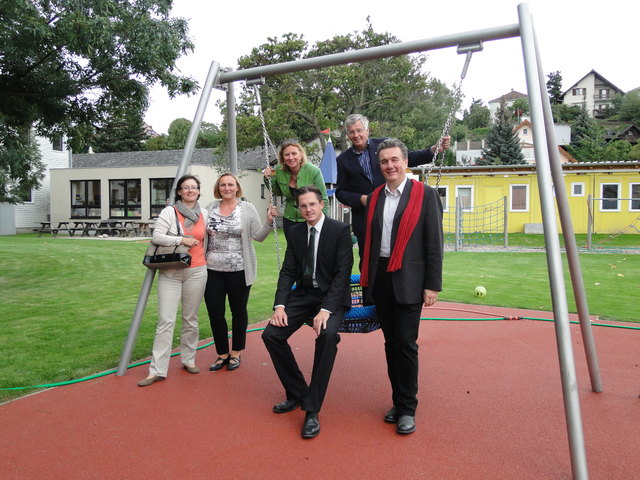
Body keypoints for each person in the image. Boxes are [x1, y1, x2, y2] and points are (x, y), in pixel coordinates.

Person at [360, 138, 444, 434]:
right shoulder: (376, 198)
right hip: (382, 277)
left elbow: (434, 243)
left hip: (409, 279)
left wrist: (432, 285)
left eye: (394, 160)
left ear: (405, 162)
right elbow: (368, 243)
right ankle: (397, 401)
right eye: (384, 161)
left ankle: (408, 408)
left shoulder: (425, 194)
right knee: (391, 343)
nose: (390, 166)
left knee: (406, 345)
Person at [262, 185, 353, 439]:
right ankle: (297, 392)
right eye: (303, 206)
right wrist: (279, 304)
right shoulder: (296, 232)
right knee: (271, 335)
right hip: (303, 294)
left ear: (321, 204)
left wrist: (326, 309)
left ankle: (312, 409)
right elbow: (288, 271)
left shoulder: (340, 230)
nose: (308, 209)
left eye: (312, 204)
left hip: (330, 298)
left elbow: (342, 274)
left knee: (326, 335)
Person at [335, 114, 450, 264]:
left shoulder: (384, 145)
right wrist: (361, 199)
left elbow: (409, 158)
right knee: (369, 263)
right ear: (348, 135)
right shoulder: (343, 160)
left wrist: (434, 150)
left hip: (394, 211)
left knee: (399, 257)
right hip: (365, 219)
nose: (356, 135)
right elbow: (341, 192)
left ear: (367, 130)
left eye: (359, 130)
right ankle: (369, 288)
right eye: (351, 132)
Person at [138, 175, 208, 387]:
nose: (189, 191)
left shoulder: (204, 213)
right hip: (171, 271)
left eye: (193, 187)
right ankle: (157, 369)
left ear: (198, 191)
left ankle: (188, 359)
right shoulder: (170, 211)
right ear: (179, 191)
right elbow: (157, 236)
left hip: (196, 270)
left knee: (190, 319)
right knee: (166, 320)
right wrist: (181, 239)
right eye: (185, 188)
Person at [204, 173, 277, 372]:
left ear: (237, 187)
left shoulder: (247, 208)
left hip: (239, 269)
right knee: (215, 313)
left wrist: (269, 222)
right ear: (218, 188)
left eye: (230, 184)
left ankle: (236, 351)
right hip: (212, 269)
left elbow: (258, 237)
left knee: (238, 311)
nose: (227, 188)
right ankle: (222, 353)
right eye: (223, 185)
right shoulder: (210, 208)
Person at [263, 139, 329, 242]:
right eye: (287, 155)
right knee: (293, 250)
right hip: (290, 218)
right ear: (283, 158)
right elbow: (276, 192)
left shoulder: (314, 171)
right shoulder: (279, 171)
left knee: (312, 249)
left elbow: (323, 197)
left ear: (301, 155)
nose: (291, 158)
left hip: (310, 217)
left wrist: (323, 221)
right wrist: (267, 179)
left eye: (294, 154)